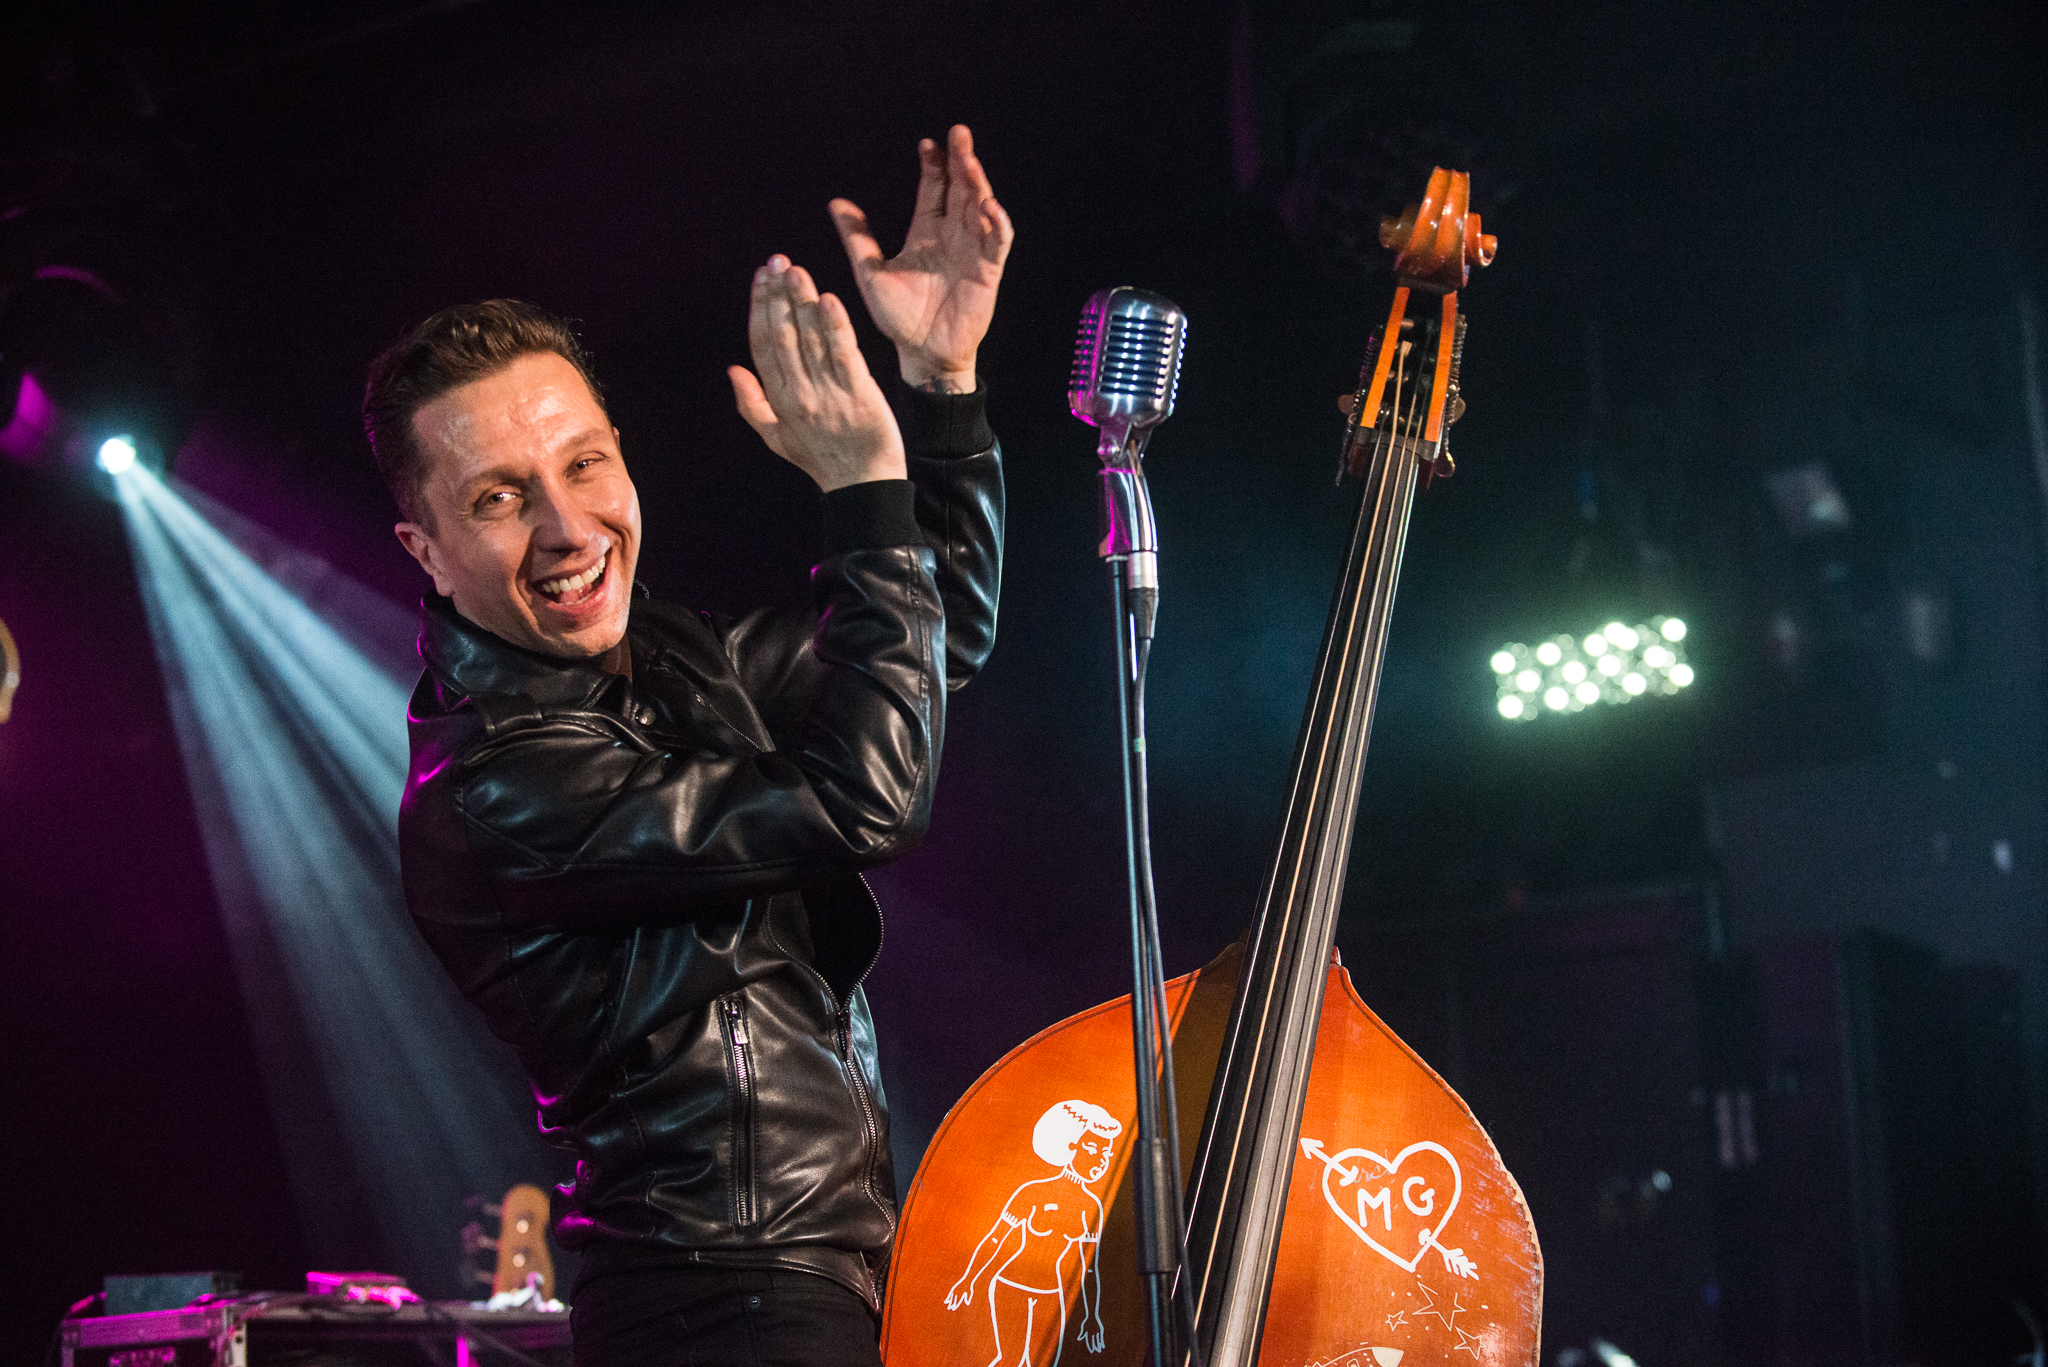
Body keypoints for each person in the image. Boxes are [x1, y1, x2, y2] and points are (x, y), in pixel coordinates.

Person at [364, 126, 1012, 1367]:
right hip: (717, 1306)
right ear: (425, 551)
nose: (568, 529)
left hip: (817, 1278)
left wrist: (940, 385)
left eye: (584, 463)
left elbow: (935, 644)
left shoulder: (668, 657)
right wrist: (859, 486)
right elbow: (865, 803)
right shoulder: (496, 780)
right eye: (499, 497)